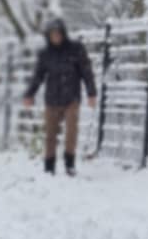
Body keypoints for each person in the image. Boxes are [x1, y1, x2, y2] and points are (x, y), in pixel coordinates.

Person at [22, 17, 97, 175]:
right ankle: (49, 166)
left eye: (58, 33)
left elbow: (86, 72)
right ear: (48, 36)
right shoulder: (45, 54)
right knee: (50, 134)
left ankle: (69, 164)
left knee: (71, 132)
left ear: (63, 33)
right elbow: (38, 76)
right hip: (52, 99)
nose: (55, 37)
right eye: (52, 34)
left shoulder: (76, 49)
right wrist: (29, 94)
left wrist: (91, 93)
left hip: (71, 98)